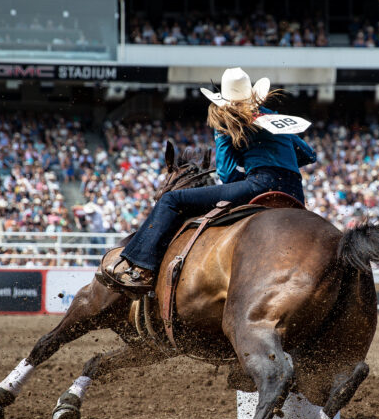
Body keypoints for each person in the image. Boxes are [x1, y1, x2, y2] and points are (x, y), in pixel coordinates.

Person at [98, 67, 317, 295]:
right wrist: (280, 164)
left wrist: (253, 171)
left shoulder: (226, 119)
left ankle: (139, 266)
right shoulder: (272, 116)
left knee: (172, 199)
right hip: (294, 193)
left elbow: (226, 173)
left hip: (258, 185)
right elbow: (309, 155)